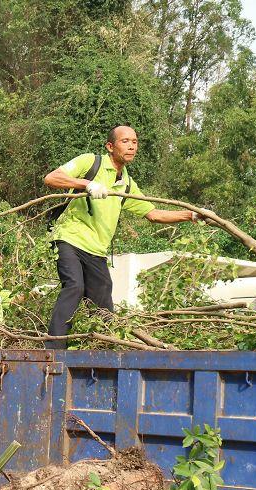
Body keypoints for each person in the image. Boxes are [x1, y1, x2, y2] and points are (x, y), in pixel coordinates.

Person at [43, 125, 199, 348]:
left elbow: (154, 214)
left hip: (96, 250)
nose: (131, 146)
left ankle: (103, 352)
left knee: (103, 303)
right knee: (75, 286)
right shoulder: (91, 162)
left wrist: (191, 215)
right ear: (110, 146)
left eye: (134, 142)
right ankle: (54, 350)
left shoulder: (126, 184)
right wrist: (87, 184)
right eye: (125, 141)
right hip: (69, 238)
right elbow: (52, 178)